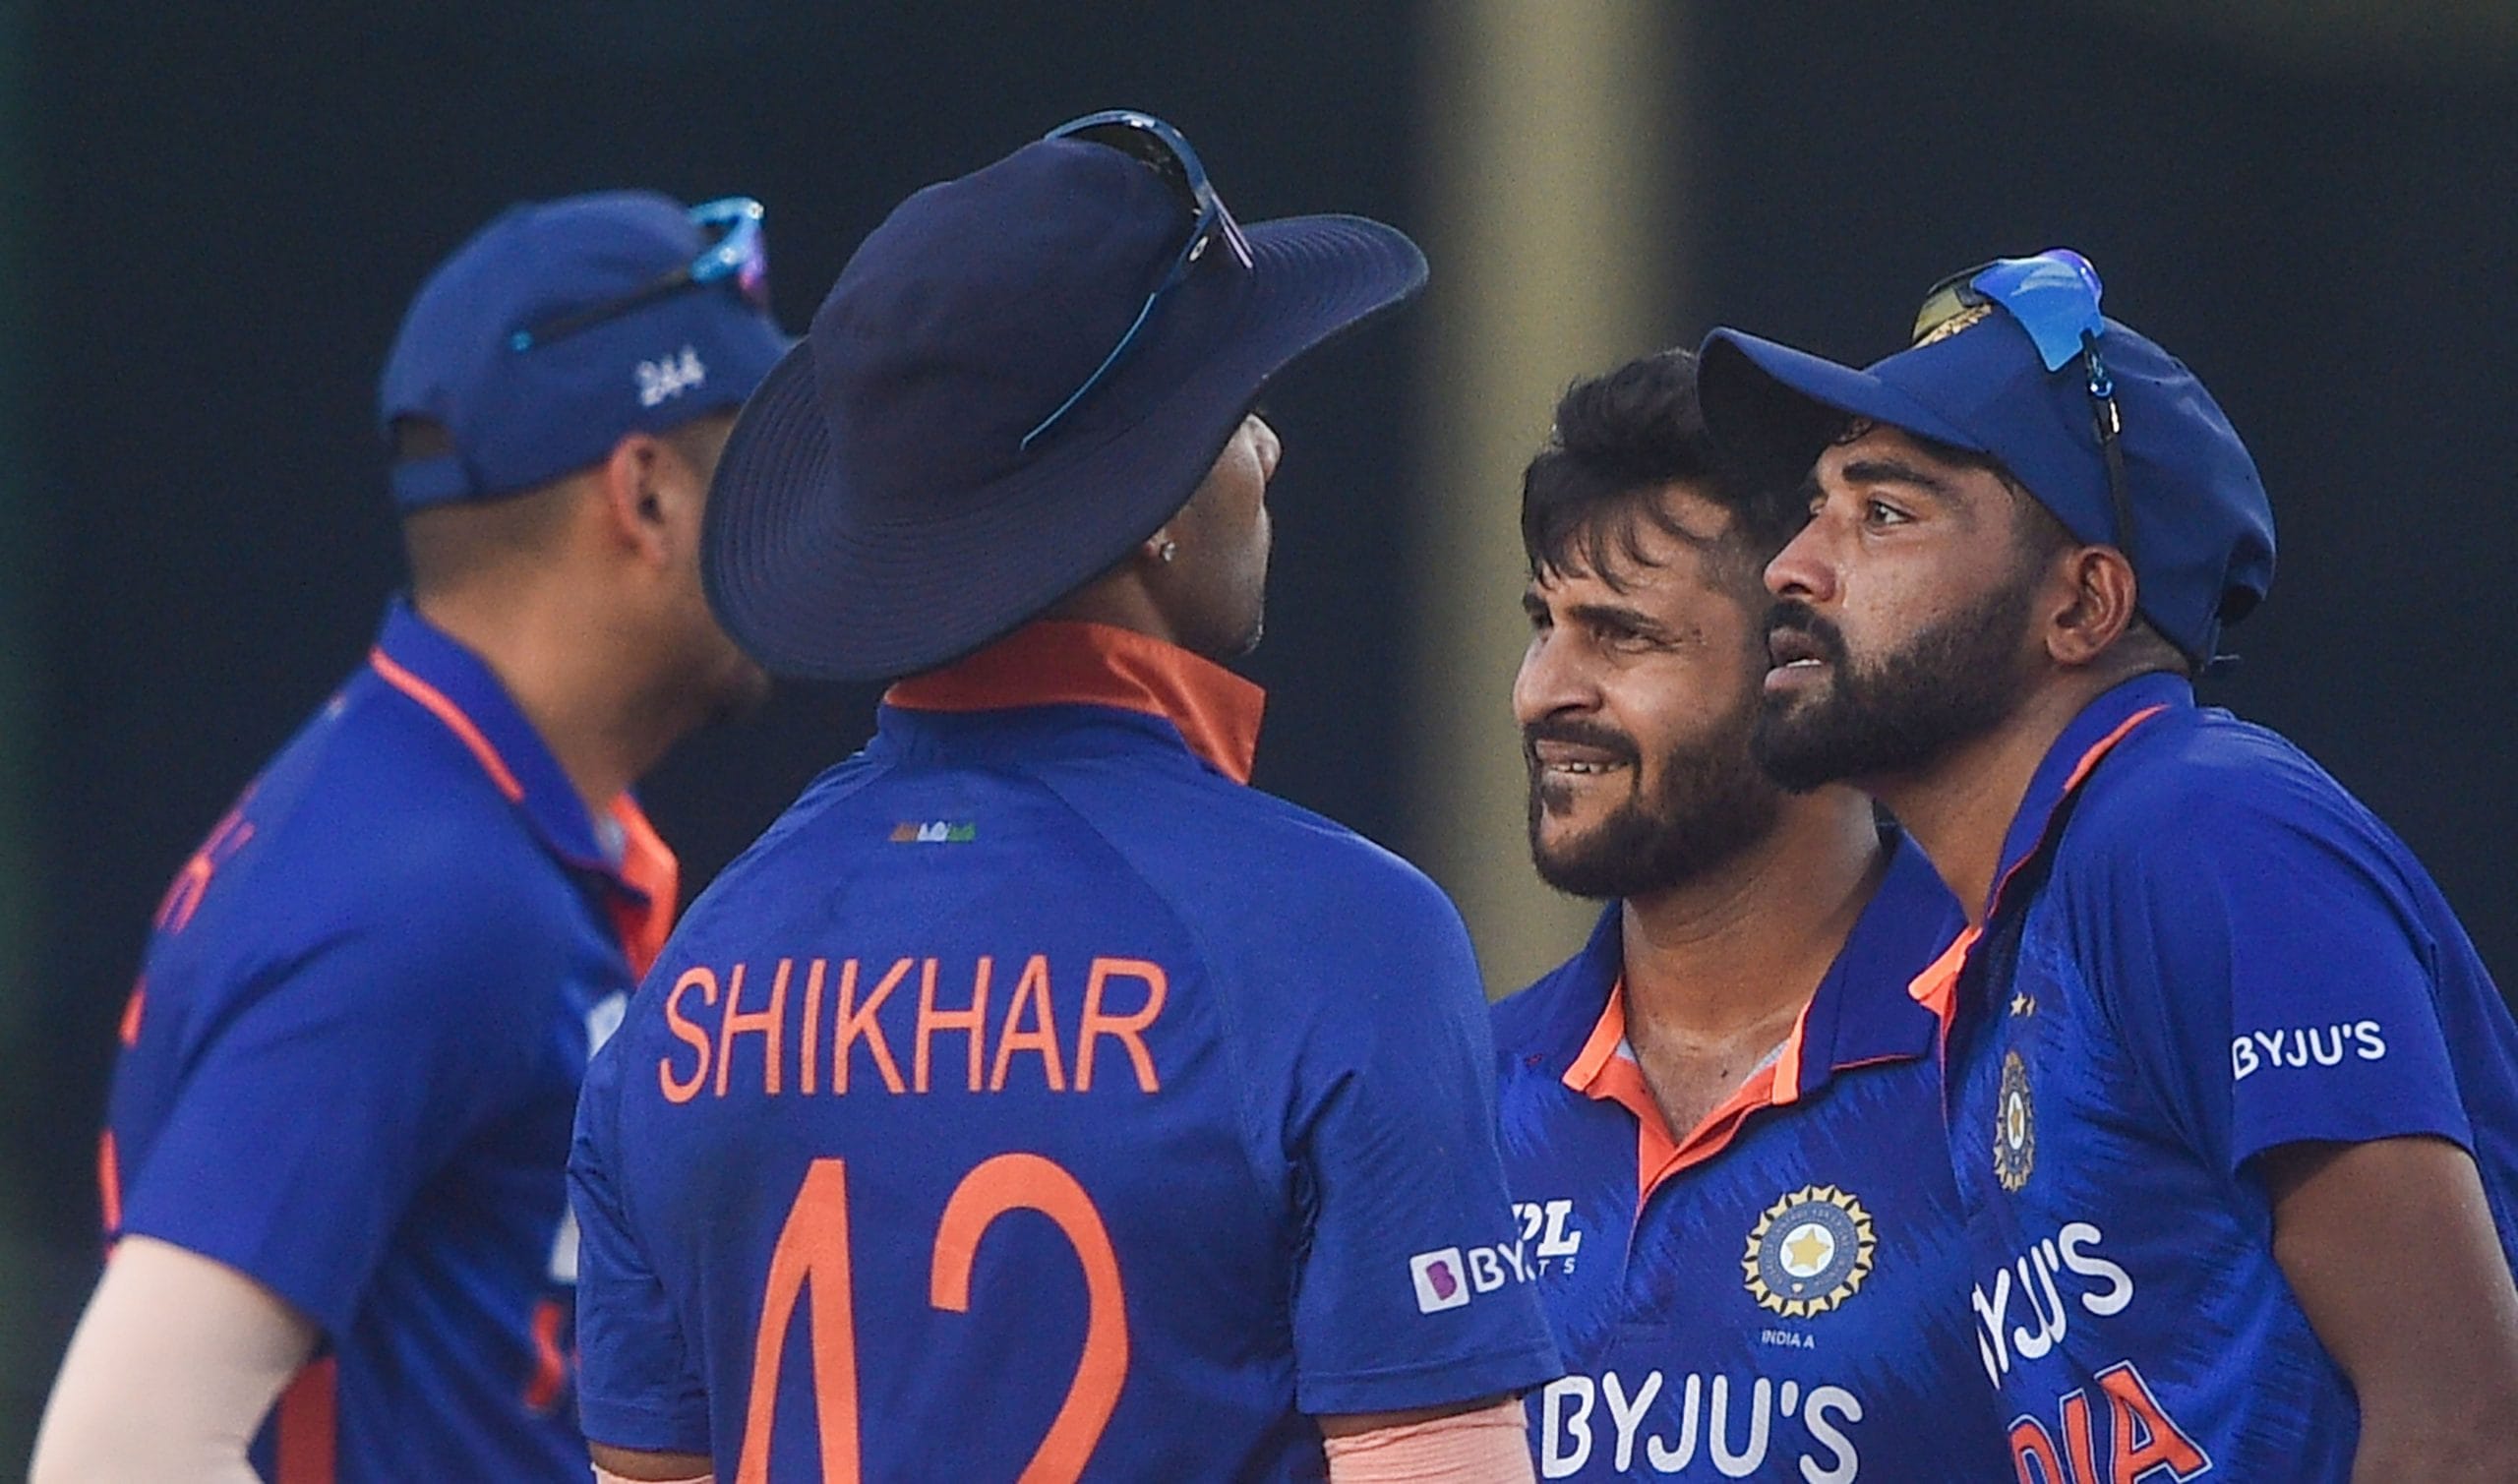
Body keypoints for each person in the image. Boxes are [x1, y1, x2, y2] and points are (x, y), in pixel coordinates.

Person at [568, 111, 1562, 1484]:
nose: (1266, 447)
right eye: (1231, 407)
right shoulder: (1345, 938)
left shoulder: (694, 976)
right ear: (1147, 505)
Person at [1695, 249, 2518, 1481]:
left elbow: (2464, 1415)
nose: (1792, 567)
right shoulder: (2019, 938)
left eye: (1883, 513)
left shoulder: (2199, 831)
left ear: (2080, 607)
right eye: (1813, 508)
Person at [30, 190, 788, 1483]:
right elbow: (121, 1453)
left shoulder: (466, 823)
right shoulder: (424, 896)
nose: (793, 517)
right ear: (646, 495)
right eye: (756, 464)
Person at [1491, 348, 2006, 1481]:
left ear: (1800, 664)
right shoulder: (1458, 1100)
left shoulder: (2014, 1057)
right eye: (1545, 623)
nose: (1543, 692)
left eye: (1621, 636)